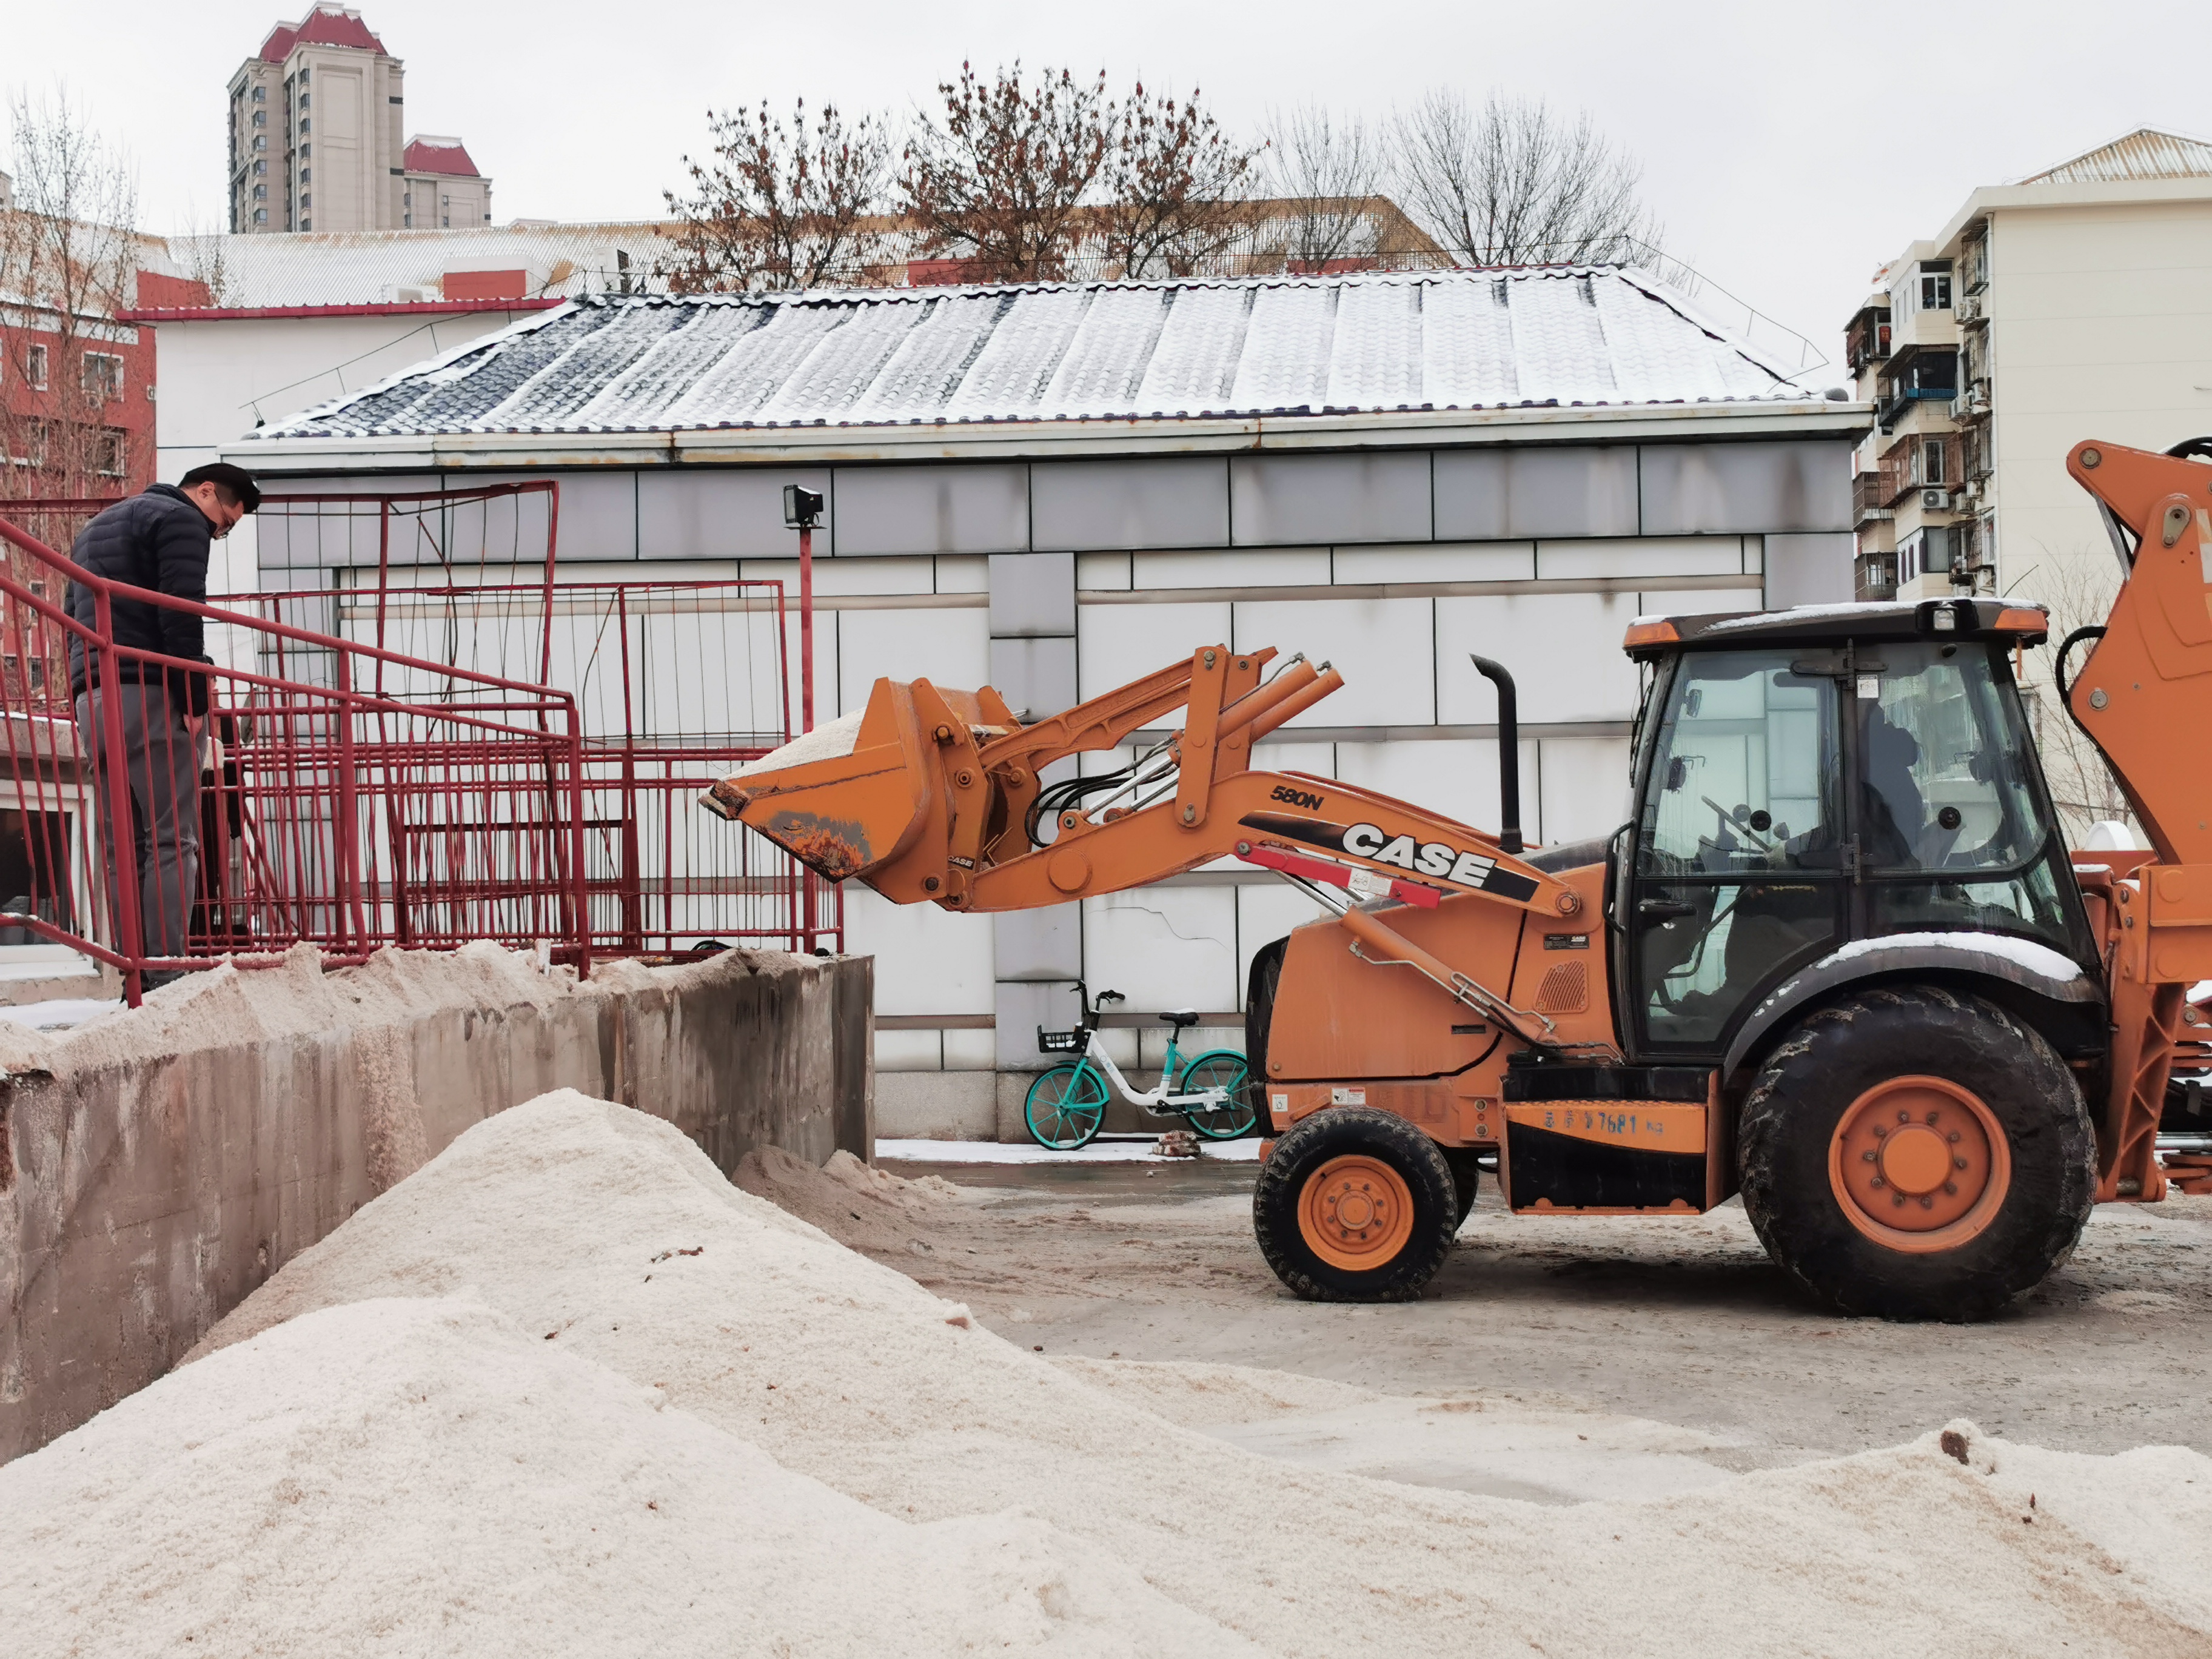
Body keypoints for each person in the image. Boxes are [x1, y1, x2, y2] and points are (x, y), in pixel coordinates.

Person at [67, 463, 260, 987]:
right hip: (149, 689)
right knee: (173, 839)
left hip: (95, 695)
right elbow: (182, 611)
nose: (218, 535)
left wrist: (80, 694)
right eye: (225, 523)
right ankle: (165, 973)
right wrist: (195, 697)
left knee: (119, 841)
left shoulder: (95, 528)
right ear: (204, 492)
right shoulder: (180, 520)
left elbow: (71, 614)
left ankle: (129, 969)